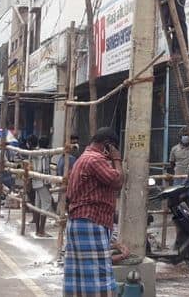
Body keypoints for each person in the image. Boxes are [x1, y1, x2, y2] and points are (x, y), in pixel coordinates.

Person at [64, 127, 123, 297]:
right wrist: (117, 158)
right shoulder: (95, 159)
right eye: (112, 148)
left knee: (79, 278)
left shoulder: (83, 158)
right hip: (91, 221)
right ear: (108, 145)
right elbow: (117, 180)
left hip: (79, 220)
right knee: (100, 277)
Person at [168, 128, 189, 208]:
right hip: (178, 178)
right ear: (180, 137)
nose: (186, 137)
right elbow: (172, 163)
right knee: (176, 200)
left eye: (187, 135)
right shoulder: (174, 149)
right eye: (184, 135)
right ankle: (178, 219)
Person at [32, 137, 53, 237]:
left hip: (35, 181)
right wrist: (48, 183)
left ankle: (37, 229)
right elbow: (46, 170)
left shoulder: (34, 153)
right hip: (42, 182)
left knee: (38, 205)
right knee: (46, 203)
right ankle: (41, 230)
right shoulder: (45, 154)